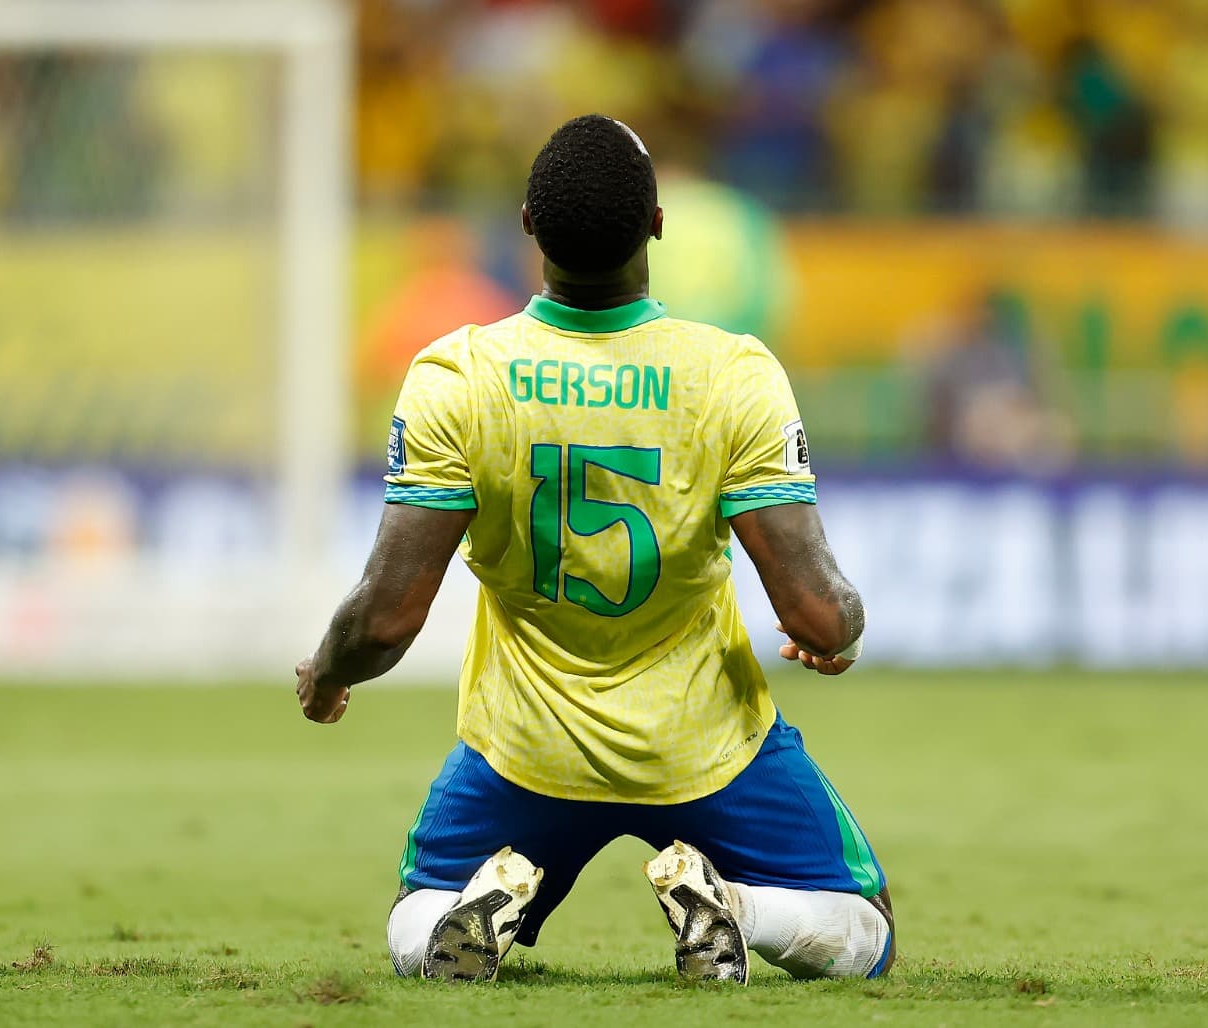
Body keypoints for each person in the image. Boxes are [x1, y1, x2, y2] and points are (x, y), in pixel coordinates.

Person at [294, 115, 891, 985]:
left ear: (528, 224)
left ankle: (467, 926)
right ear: (657, 224)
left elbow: (385, 619)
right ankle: (739, 909)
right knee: (865, 932)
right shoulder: (731, 375)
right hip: (707, 749)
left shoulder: (459, 376)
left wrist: (329, 668)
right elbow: (816, 611)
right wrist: (835, 632)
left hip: (526, 751)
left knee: (417, 913)